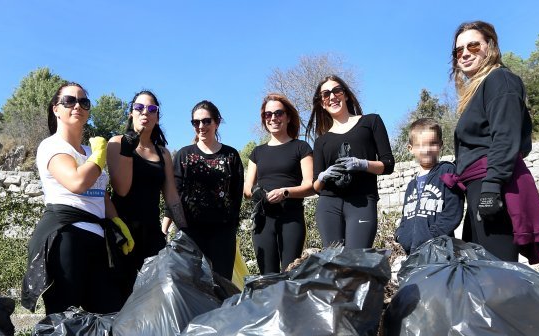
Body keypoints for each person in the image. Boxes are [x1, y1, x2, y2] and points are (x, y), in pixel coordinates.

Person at [442, 20, 539, 263]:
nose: (465, 54)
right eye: (459, 50)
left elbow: (505, 136)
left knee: (498, 268)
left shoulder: (500, 80)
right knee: (483, 268)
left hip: (491, 182)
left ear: (490, 47)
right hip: (478, 184)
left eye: (473, 46)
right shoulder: (480, 89)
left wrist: (492, 187)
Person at [21, 82, 133, 314]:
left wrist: (117, 222)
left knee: (110, 312)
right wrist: (99, 156)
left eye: (83, 102)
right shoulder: (51, 146)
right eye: (69, 101)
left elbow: (100, 193)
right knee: (64, 313)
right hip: (66, 236)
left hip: (99, 240)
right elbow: (77, 182)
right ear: (56, 109)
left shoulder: (91, 151)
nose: (77, 106)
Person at [107, 90, 187, 294]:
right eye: (139, 108)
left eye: (152, 109)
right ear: (131, 113)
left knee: (155, 296)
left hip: (152, 233)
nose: (145, 113)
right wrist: (128, 148)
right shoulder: (116, 143)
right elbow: (121, 189)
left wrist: (186, 231)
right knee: (123, 296)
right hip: (123, 234)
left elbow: (171, 196)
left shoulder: (163, 153)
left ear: (157, 116)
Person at [307, 75, 395, 249]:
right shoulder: (321, 141)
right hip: (329, 205)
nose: (332, 97)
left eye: (336, 91)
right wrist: (324, 176)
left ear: (345, 94)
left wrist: (363, 164)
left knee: (356, 262)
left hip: (362, 200)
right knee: (333, 264)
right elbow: (315, 187)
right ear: (322, 103)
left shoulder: (370, 122)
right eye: (326, 94)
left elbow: (388, 164)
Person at [165, 100, 243, 280]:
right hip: (190, 233)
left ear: (217, 122)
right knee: (191, 287)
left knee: (221, 285)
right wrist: (166, 227)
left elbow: (236, 196)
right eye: (196, 122)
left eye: (206, 121)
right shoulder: (184, 155)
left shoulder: (231, 155)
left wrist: (231, 228)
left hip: (222, 234)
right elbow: (173, 194)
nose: (201, 126)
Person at [244, 93, 314, 273]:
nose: (273, 118)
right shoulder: (257, 153)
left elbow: (310, 186)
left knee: (291, 274)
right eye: (268, 114)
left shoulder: (301, 147)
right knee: (267, 278)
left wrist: (285, 192)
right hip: (263, 220)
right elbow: (247, 190)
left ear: (288, 117)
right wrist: (259, 193)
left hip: (291, 218)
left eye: (278, 113)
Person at [395, 118, 463, 255]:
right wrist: (401, 235)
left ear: (441, 145)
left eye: (432, 144)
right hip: (413, 252)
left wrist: (431, 236)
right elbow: (405, 216)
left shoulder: (447, 172)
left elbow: (453, 211)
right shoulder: (411, 185)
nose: (426, 150)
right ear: (410, 148)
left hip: (440, 251)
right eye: (420, 145)